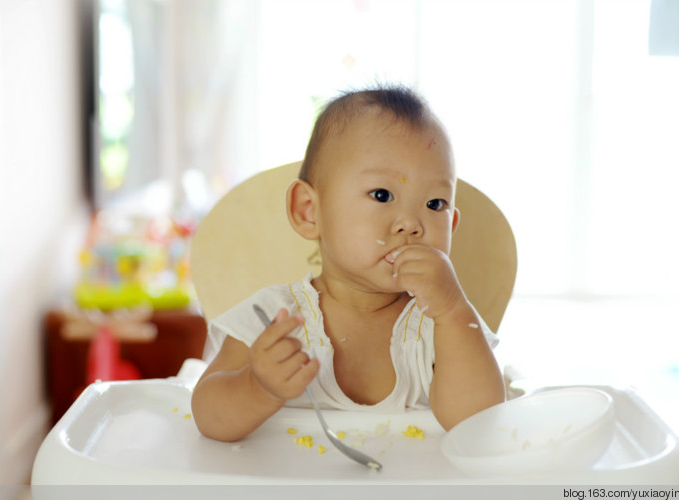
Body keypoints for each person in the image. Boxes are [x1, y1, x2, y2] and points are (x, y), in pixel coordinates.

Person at [191, 85, 505, 442]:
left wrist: (452, 311)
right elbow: (206, 416)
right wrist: (258, 387)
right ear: (309, 211)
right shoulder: (275, 318)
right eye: (382, 195)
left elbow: (481, 424)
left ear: (452, 225)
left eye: (435, 204)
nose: (411, 223)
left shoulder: (442, 324)